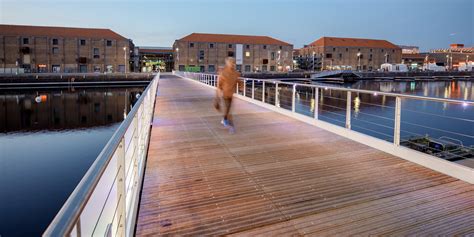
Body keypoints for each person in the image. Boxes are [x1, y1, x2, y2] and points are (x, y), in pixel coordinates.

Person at [215, 57, 240, 133]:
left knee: (228, 108)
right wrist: (218, 96)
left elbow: (238, 81)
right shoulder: (223, 73)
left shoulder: (236, 73)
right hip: (224, 94)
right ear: (227, 63)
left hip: (231, 93)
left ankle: (225, 119)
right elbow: (219, 85)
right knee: (228, 108)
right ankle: (230, 125)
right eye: (231, 62)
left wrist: (241, 86)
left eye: (233, 62)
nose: (233, 64)